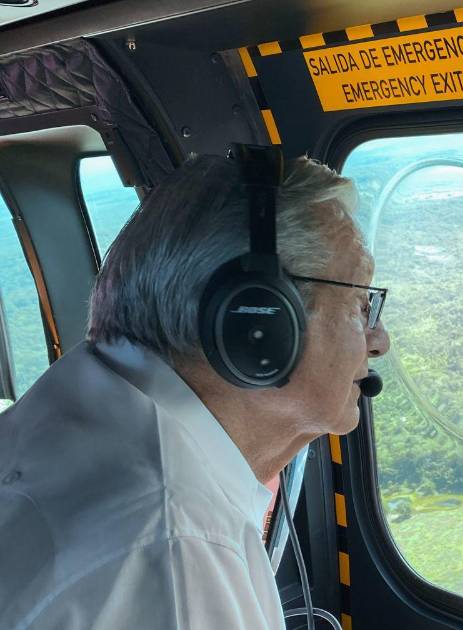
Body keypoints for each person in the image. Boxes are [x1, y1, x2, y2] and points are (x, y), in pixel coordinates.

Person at [0, 153, 390, 629]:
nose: (379, 341)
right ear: (259, 325)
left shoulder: (77, 405)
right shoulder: (175, 556)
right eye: (360, 304)